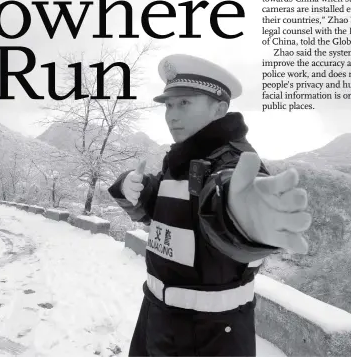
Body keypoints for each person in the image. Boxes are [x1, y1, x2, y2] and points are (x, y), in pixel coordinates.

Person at [108, 54, 311, 357]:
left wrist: (241, 223)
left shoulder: (235, 162)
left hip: (210, 336)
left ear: (220, 108)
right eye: (169, 105)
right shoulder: (180, 158)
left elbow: (223, 200)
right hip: (155, 316)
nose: (171, 116)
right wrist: (133, 188)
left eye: (185, 103)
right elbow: (168, 212)